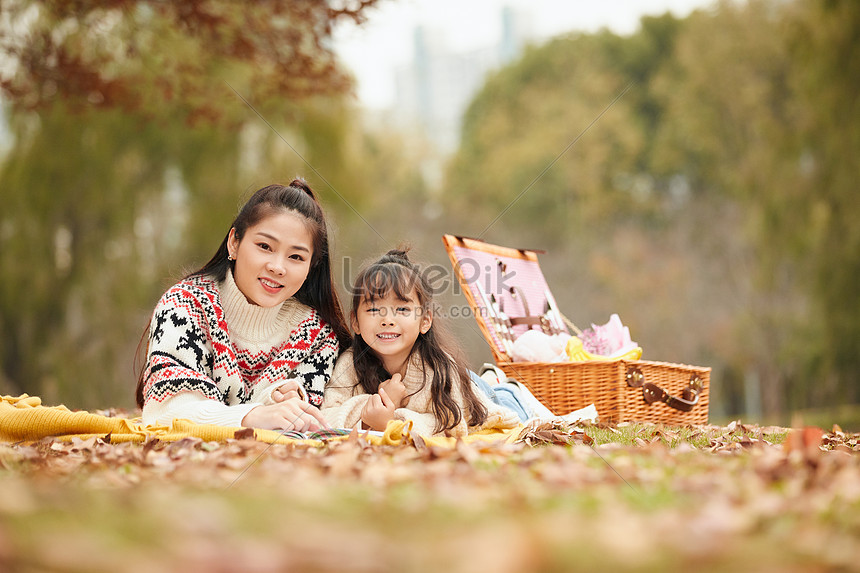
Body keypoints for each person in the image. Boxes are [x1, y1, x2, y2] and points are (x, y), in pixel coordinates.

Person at [136, 179, 351, 431]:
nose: (277, 267)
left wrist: (279, 399)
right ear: (234, 243)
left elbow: (309, 425)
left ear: (310, 267)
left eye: (296, 257)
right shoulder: (184, 306)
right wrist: (251, 416)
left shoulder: (317, 336)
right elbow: (168, 411)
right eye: (264, 246)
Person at [321, 249, 521, 438]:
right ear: (355, 321)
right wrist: (370, 416)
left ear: (425, 321)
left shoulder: (438, 368)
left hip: (488, 397)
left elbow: (453, 424)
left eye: (402, 310)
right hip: (469, 383)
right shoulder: (350, 363)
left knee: (510, 401)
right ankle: (491, 378)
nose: (387, 320)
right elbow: (326, 415)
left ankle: (502, 383)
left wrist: (390, 421)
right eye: (374, 310)